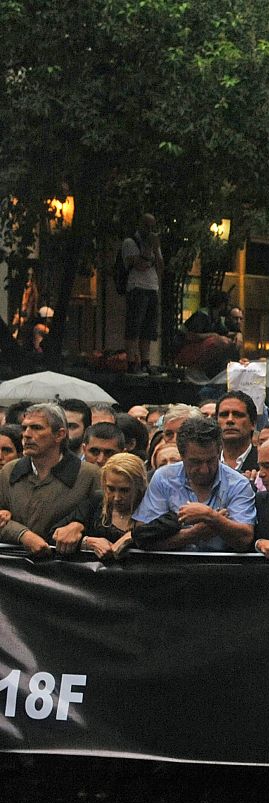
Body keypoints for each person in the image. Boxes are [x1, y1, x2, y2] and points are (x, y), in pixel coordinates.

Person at [130, 417, 255, 552]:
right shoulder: (164, 478)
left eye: (211, 460)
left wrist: (211, 517)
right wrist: (196, 533)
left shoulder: (238, 484)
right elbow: (145, 540)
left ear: (219, 451)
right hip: (171, 568)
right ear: (182, 455)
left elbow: (245, 540)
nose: (204, 469)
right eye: (195, 462)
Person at [0, 403, 100, 557]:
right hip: (13, 569)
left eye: (37, 428)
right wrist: (23, 535)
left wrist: (79, 525)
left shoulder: (89, 474)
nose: (26, 434)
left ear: (59, 435)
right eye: (24, 427)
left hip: (67, 571)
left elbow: (104, 520)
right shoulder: (10, 471)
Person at [81, 453, 147, 560]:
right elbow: (58, 534)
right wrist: (88, 542)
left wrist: (133, 536)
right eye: (111, 489)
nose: (116, 498)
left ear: (139, 487)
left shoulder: (154, 506)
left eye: (125, 490)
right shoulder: (97, 501)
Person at [121, 213, 163, 371]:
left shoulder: (154, 245)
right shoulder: (130, 242)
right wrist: (147, 249)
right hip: (137, 287)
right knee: (134, 327)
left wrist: (156, 248)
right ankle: (131, 362)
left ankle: (146, 362)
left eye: (153, 227)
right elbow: (139, 264)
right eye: (147, 226)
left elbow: (160, 267)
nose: (150, 230)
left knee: (148, 329)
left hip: (152, 288)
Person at [215, 391, 259, 478]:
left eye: (238, 415)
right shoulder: (207, 462)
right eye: (224, 415)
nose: (230, 420)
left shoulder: (262, 463)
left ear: (253, 424)